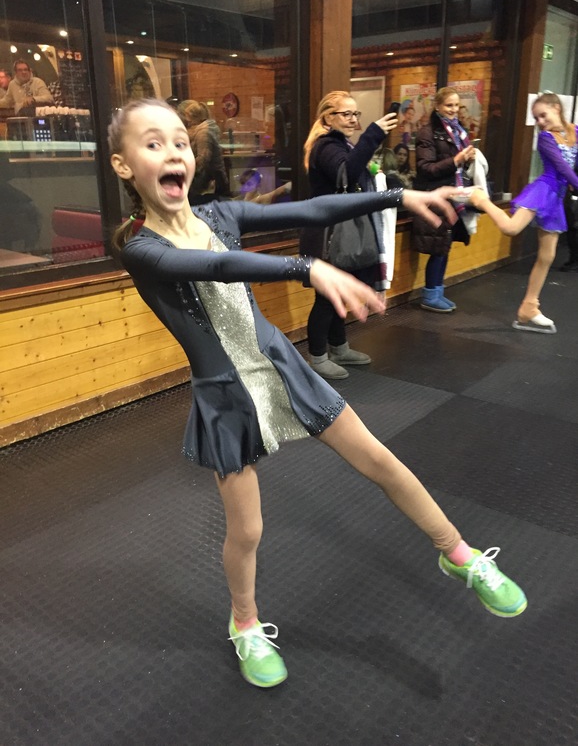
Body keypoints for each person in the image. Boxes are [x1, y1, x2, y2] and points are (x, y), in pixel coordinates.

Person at [108, 98, 527, 689]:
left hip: (282, 366)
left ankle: (459, 553)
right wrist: (306, 268)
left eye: (179, 141)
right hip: (225, 394)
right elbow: (217, 267)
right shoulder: (139, 247)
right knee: (248, 531)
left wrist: (398, 197)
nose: (173, 152)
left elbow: (313, 206)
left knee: (380, 458)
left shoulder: (219, 213)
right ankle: (245, 623)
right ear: (124, 165)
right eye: (153, 144)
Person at [300, 90, 398, 380]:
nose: (353, 119)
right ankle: (318, 357)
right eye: (346, 114)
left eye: (356, 114)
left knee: (338, 294)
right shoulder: (326, 145)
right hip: (328, 235)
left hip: (335, 231)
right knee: (327, 298)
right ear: (327, 117)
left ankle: (339, 347)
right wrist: (373, 135)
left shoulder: (341, 143)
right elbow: (346, 173)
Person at [467, 92, 578, 333]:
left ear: (557, 108)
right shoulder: (546, 138)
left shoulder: (575, 131)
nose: (540, 122)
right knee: (511, 228)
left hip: (556, 197)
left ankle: (529, 306)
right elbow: (561, 167)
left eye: (543, 115)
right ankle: (481, 199)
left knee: (547, 256)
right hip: (543, 190)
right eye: (536, 118)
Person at [412, 86, 477, 313]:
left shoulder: (458, 130)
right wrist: (457, 160)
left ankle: (437, 291)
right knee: (438, 248)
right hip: (436, 197)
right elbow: (426, 168)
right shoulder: (427, 132)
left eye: (456, 105)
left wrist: (468, 160)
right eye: (449, 105)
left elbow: (458, 166)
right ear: (437, 106)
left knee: (445, 247)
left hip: (453, 195)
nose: (453, 109)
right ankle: (430, 294)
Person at [177, 99, 230, 202]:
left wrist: (187, 171)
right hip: (212, 180)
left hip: (210, 183)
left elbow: (203, 160)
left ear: (190, 117)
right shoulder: (203, 130)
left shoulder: (204, 132)